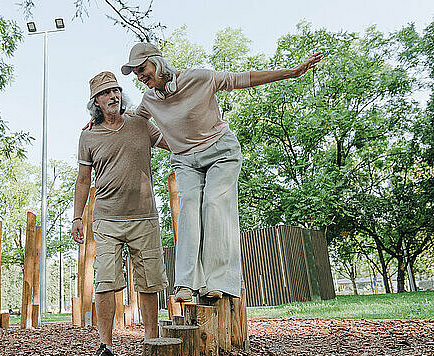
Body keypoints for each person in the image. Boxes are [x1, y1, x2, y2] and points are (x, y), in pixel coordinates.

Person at [119, 43, 323, 302]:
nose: (139, 76)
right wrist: (100, 119)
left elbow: (242, 79)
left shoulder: (198, 78)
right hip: (185, 160)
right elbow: (134, 119)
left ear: (157, 63)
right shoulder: (150, 100)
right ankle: (186, 283)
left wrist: (291, 72)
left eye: (142, 69)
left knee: (214, 203)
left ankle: (219, 281)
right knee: (190, 207)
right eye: (135, 73)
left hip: (220, 152)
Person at [72, 71, 170, 356]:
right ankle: (105, 346)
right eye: (106, 93)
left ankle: (151, 340)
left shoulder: (141, 124)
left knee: (150, 281)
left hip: (144, 216)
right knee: (105, 282)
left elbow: (171, 141)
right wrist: (77, 216)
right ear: (96, 102)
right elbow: (83, 180)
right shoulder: (88, 135)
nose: (113, 96)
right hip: (107, 219)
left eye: (116, 90)